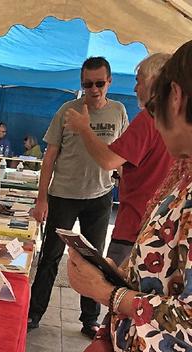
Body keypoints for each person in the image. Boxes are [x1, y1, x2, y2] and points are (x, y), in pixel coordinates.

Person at [35, 40, 192, 352]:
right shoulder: (184, 173)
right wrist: (123, 278)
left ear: (175, 98)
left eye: (150, 101)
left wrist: (110, 294)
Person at [28, 57, 129, 338]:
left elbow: (121, 158)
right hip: (63, 195)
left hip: (99, 197)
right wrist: (41, 200)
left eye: (99, 83)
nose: (93, 89)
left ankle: (89, 320)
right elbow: (49, 157)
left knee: (93, 261)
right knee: (50, 256)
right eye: (87, 84)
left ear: (109, 82)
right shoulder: (67, 110)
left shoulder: (119, 111)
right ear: (81, 84)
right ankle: (34, 313)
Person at [64, 53, 173, 266]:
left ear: (154, 82)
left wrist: (84, 129)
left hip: (136, 225)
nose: (134, 89)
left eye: (138, 81)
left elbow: (108, 160)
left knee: (116, 292)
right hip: (159, 226)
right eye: (87, 84)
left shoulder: (149, 118)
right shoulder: (174, 120)